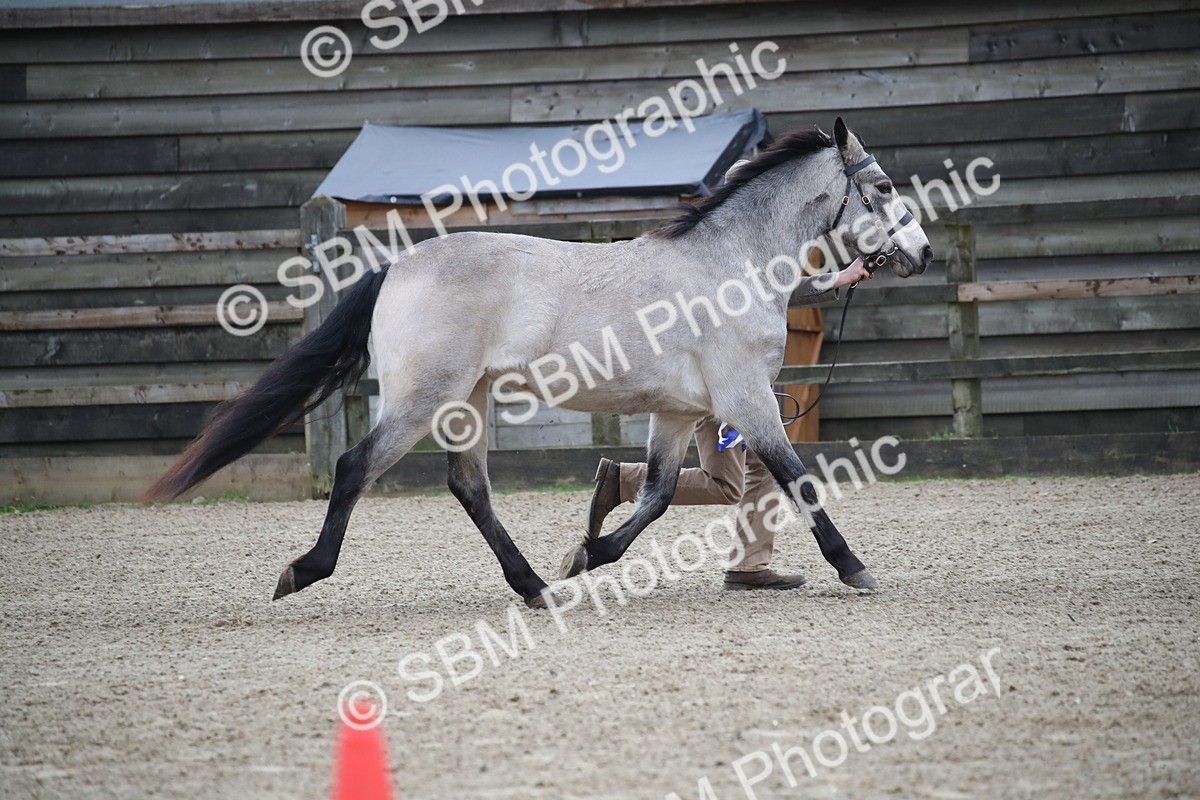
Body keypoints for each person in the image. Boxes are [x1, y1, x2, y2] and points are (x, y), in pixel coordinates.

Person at [580, 255, 873, 590]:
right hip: (717, 381)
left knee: (754, 471)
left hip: (726, 376)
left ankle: (749, 566)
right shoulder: (718, 255)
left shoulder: (735, 252)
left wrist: (839, 278)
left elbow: (776, 288)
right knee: (730, 482)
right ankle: (625, 482)